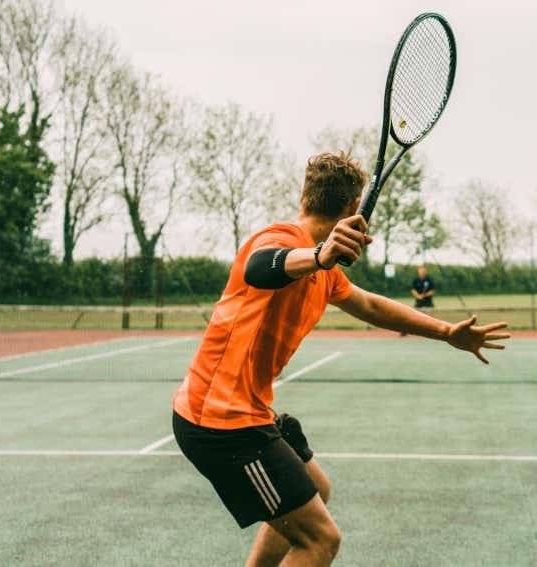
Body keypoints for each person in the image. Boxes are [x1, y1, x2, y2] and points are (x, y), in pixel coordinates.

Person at [172, 151, 510, 567]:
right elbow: (263, 267)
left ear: (304, 195)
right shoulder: (280, 240)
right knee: (320, 541)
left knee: (318, 489)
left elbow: (370, 306)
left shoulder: (326, 269)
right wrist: (317, 256)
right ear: (353, 208)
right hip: (219, 424)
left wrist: (445, 332)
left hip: (243, 411)